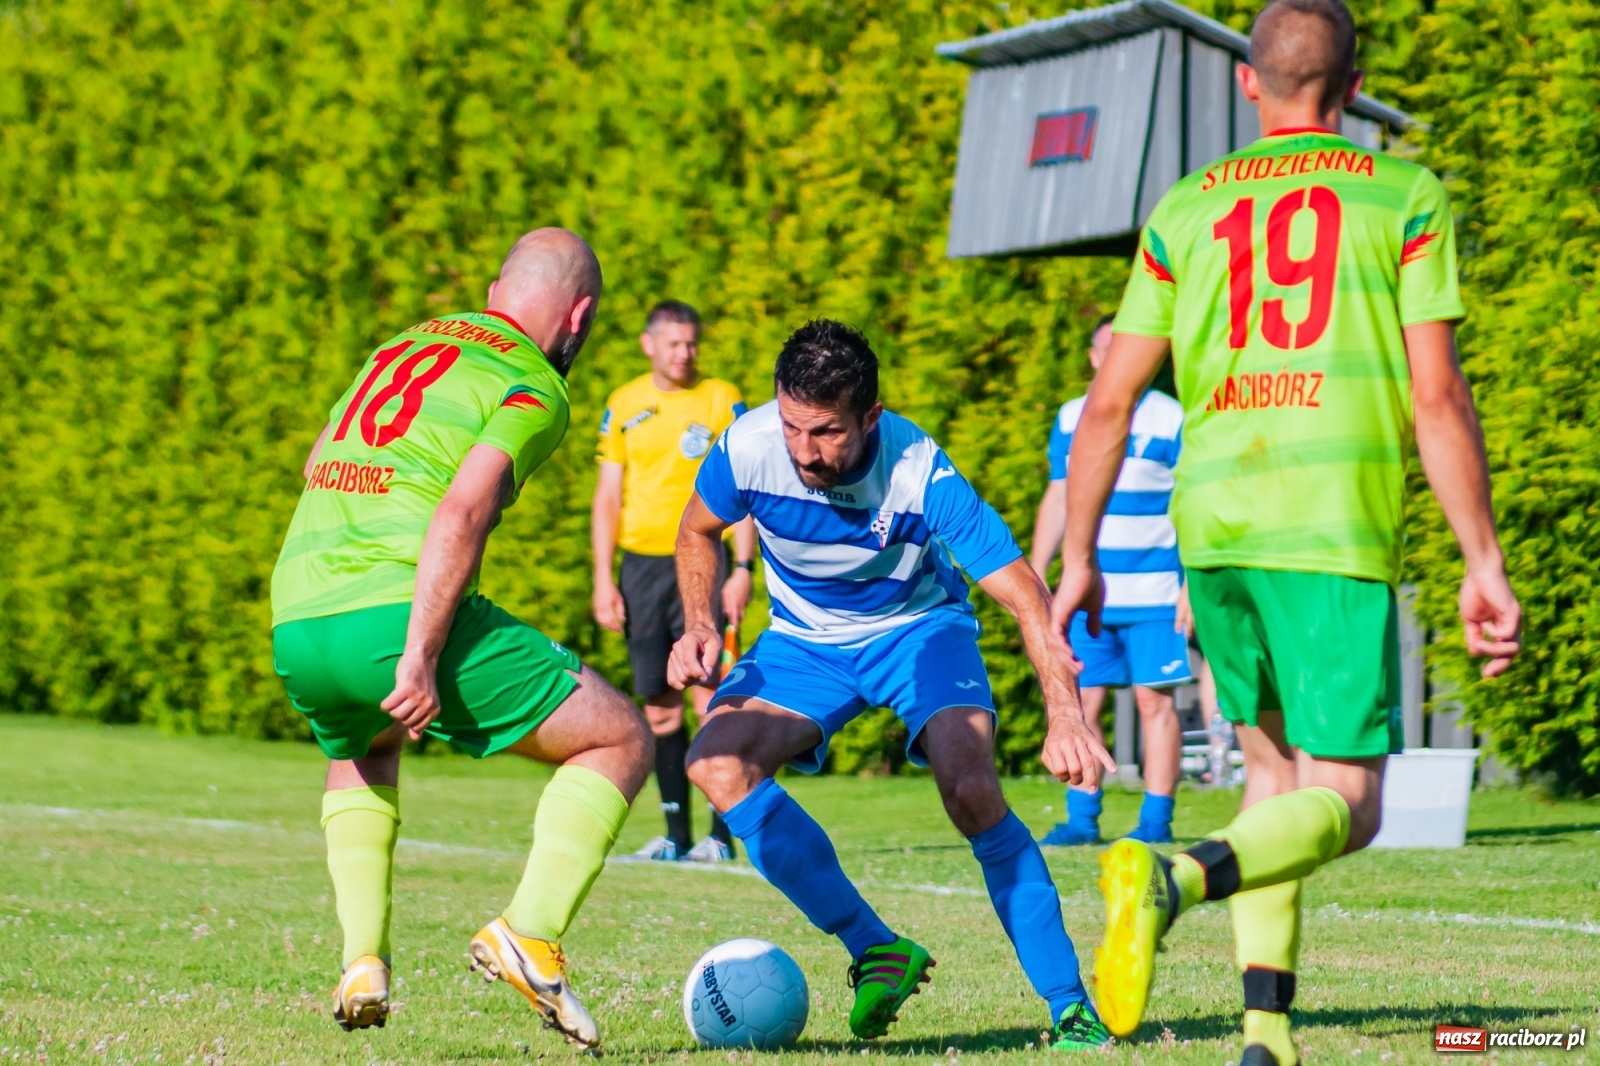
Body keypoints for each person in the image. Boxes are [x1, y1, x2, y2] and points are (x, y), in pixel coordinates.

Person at [1051, 2, 1522, 1061]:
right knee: (1348, 804)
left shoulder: (1182, 207)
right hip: (1328, 527)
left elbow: (1115, 401)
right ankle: (1170, 874)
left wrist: (1078, 557)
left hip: (1210, 520)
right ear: (1353, 88)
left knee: (1271, 779)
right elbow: (1436, 394)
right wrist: (1481, 559)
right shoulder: (1402, 194)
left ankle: (1266, 1034)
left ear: (1247, 84)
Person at [667, 320, 1119, 1051]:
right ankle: (875, 947)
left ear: (870, 416)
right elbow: (696, 530)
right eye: (791, 426)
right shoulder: (748, 445)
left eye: (826, 432)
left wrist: (1066, 717)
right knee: (715, 762)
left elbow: (1026, 595)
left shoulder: (919, 469)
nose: (804, 452)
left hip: (919, 630)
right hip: (806, 640)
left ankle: (1071, 1006)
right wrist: (699, 624)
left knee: (971, 789)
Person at [270, 229, 651, 1050]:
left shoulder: (404, 344)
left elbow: (316, 461)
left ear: (492, 289)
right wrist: (418, 651)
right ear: (579, 316)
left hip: (296, 607)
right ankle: (531, 932)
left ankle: (363, 961)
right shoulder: (532, 382)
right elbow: (463, 511)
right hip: (387, 608)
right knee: (619, 737)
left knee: (363, 748)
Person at [592, 300, 756, 863]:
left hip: (703, 559)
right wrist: (602, 580)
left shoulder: (720, 398)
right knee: (660, 706)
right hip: (640, 567)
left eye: (692, 343)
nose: (685, 353)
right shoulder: (624, 404)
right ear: (649, 344)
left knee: (711, 697)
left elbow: (746, 491)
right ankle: (675, 835)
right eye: (675, 343)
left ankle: (720, 836)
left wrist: (743, 568)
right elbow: (608, 497)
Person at [1032, 312, 1189, 845]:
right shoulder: (1072, 416)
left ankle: (1155, 824)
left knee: (1154, 703)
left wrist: (1191, 583)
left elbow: (1191, 502)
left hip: (1156, 593)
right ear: (1095, 357)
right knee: (1082, 704)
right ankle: (1082, 820)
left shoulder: (1172, 417)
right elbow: (1059, 493)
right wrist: (1036, 570)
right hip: (1089, 594)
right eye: (1107, 348)